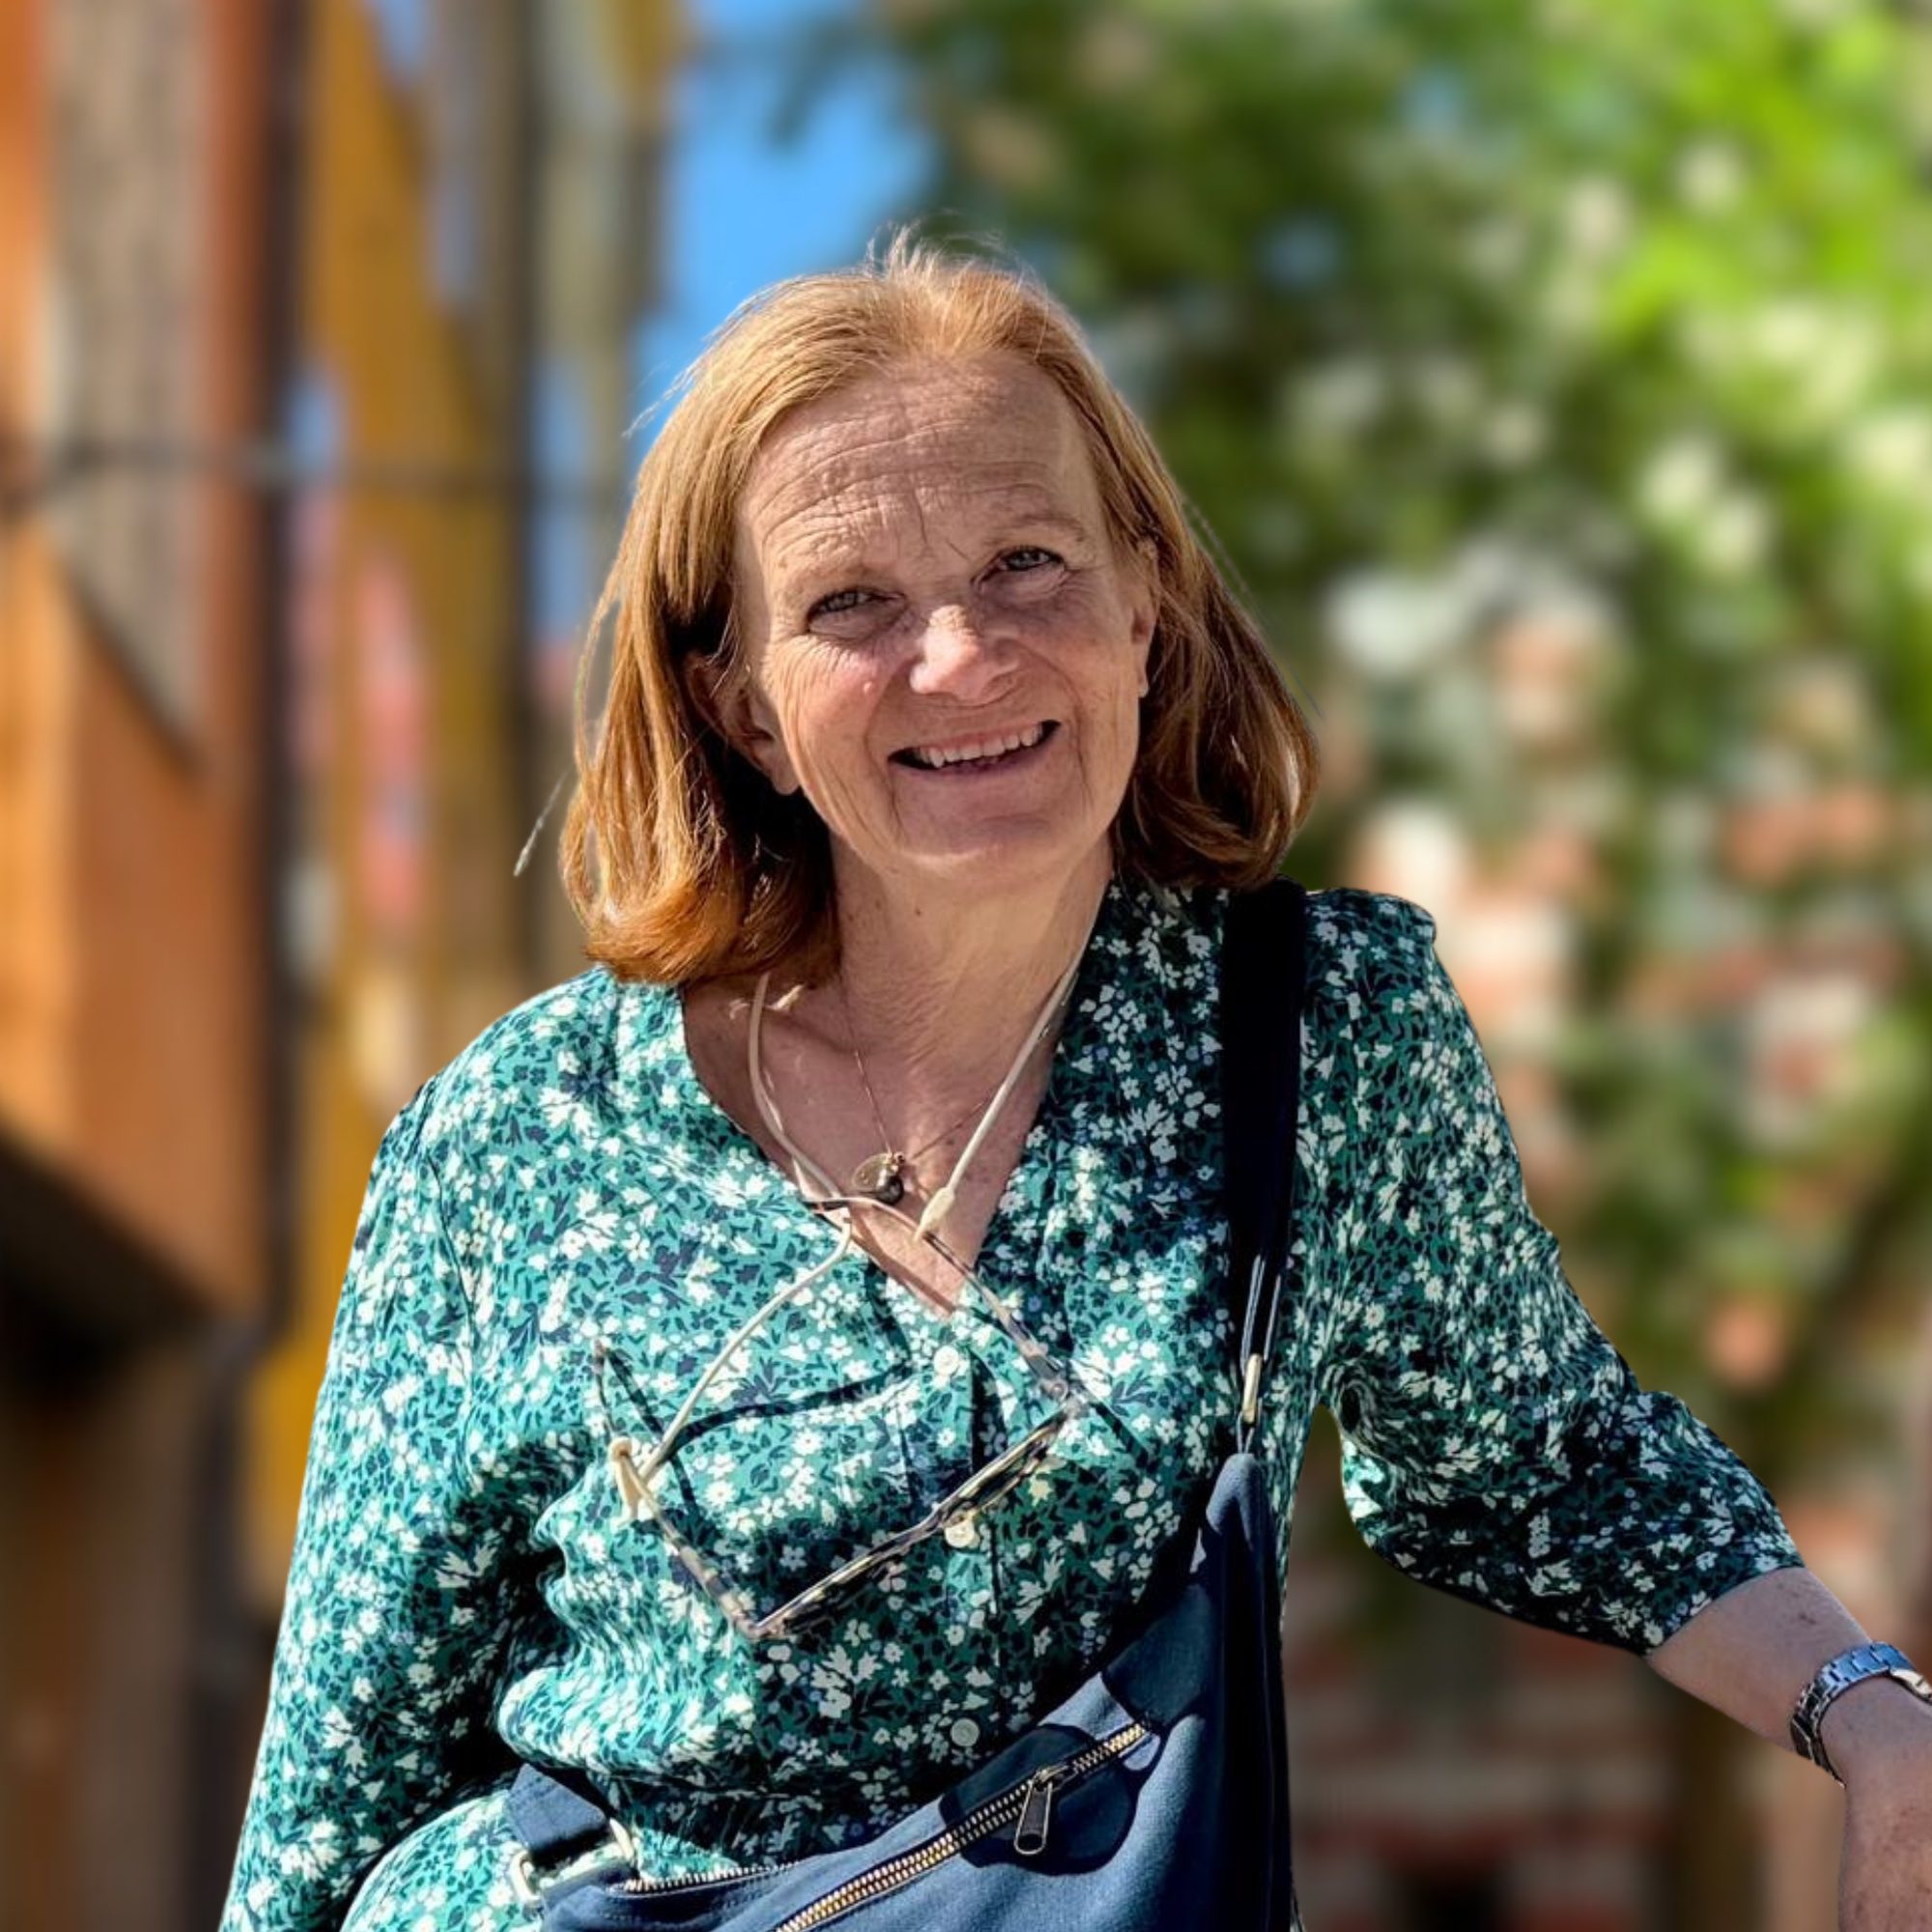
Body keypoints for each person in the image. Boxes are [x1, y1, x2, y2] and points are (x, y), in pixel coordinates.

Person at [219, 230, 1932, 1932]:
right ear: (746, 709)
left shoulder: (1319, 1032)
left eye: (1026, 563)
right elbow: (334, 1792)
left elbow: (1544, 1459)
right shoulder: (519, 1135)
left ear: (1143, 605)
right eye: (850, 606)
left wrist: (1875, 1719)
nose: (962, 658)